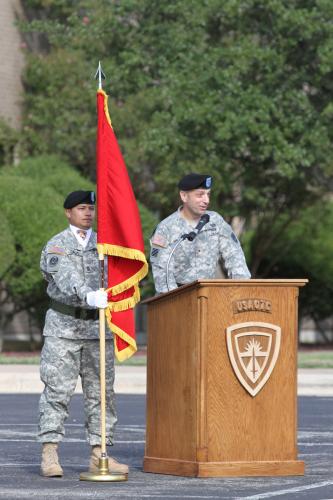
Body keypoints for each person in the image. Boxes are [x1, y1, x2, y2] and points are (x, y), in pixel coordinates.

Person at [37, 190, 128, 477]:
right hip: (63, 329)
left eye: (91, 208)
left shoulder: (105, 245)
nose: (87, 213)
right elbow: (63, 277)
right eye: (81, 208)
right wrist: (87, 294)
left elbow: (121, 273)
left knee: (101, 394)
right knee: (57, 392)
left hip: (97, 329)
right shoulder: (57, 245)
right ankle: (49, 453)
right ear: (68, 213)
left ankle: (99, 453)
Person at [150, 173, 251, 293]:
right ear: (184, 196)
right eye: (200, 195)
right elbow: (162, 271)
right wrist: (176, 301)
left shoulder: (215, 221)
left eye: (208, 194)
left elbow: (235, 256)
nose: (206, 200)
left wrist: (242, 290)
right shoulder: (165, 228)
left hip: (208, 296)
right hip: (177, 297)